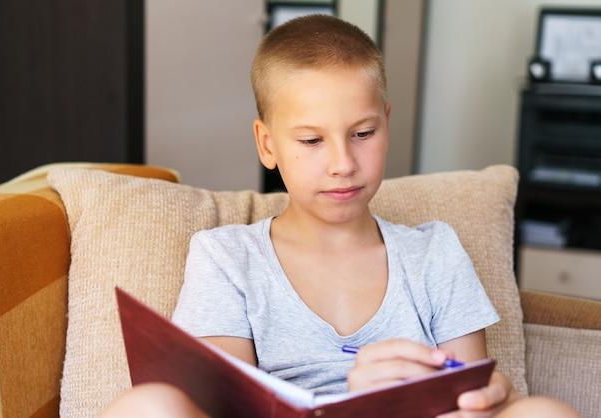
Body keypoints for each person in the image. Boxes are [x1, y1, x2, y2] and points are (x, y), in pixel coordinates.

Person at [102, 15, 581, 418]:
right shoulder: (227, 257)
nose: (343, 164)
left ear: (387, 126)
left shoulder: (434, 253)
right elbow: (225, 405)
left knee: (543, 413)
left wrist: (493, 395)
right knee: (147, 405)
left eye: (363, 133)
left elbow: (466, 400)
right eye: (312, 141)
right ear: (268, 145)